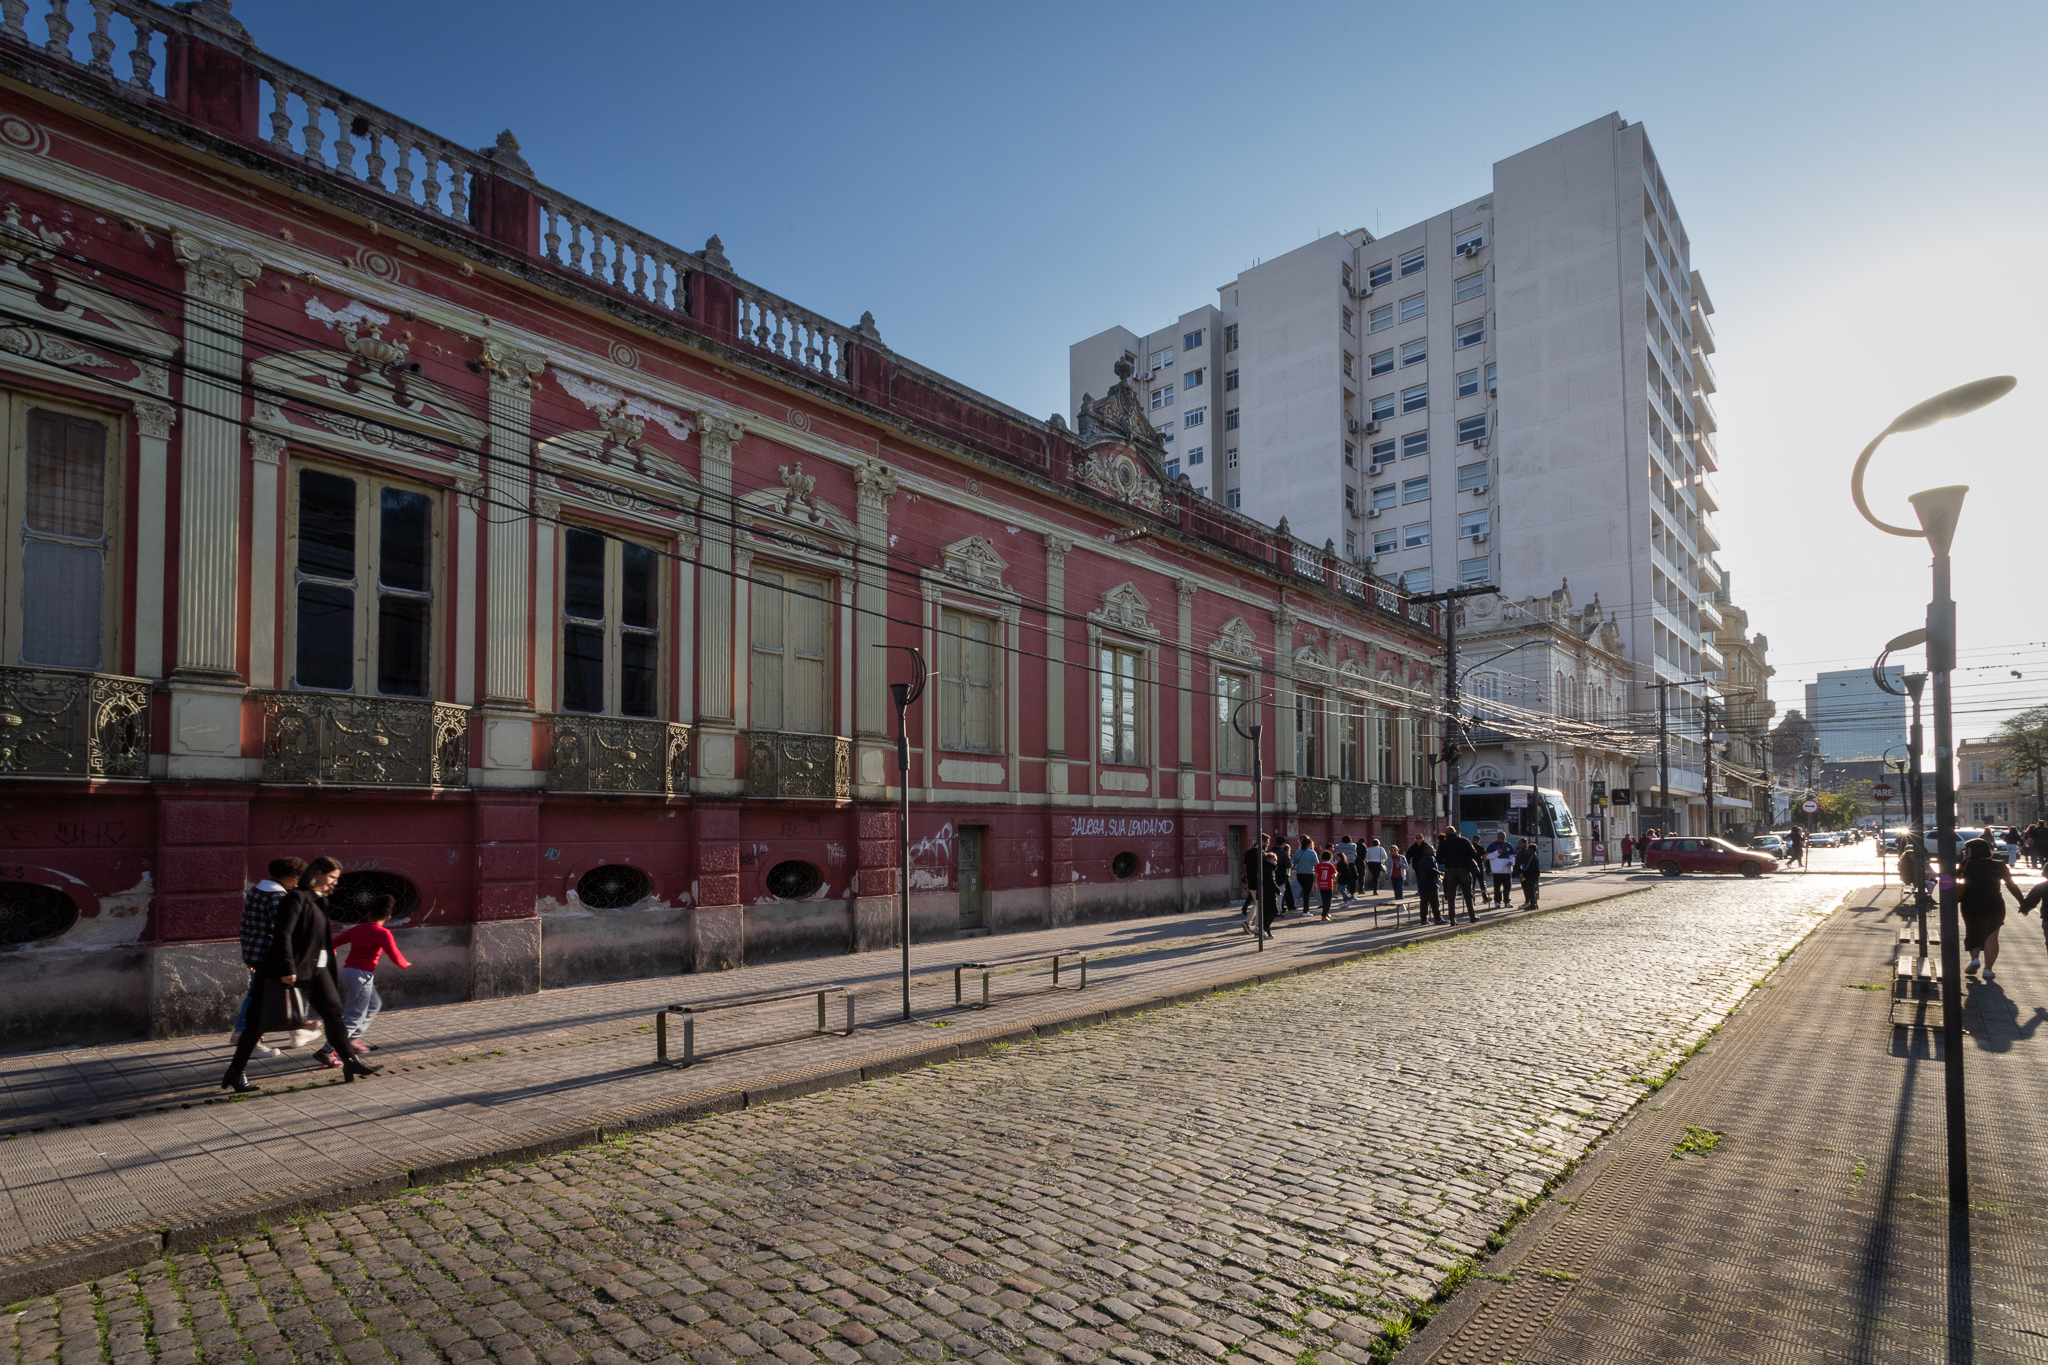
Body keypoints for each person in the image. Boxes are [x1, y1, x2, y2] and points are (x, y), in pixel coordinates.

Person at [222, 857, 380, 1092]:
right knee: (256, 1023)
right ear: (317, 873)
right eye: (332, 878)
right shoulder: (294, 898)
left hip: (316, 969)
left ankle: (350, 1061)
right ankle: (235, 1072)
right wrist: (287, 968)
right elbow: (283, 935)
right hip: (285, 969)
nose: (334, 883)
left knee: (333, 1013)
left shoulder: (319, 900)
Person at [316, 894, 411, 1065]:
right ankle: (326, 1050)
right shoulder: (383, 932)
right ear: (388, 918)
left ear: (368, 914)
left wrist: (333, 951)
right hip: (361, 975)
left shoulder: (357, 929)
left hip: (348, 972)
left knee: (374, 1004)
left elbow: (333, 942)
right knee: (354, 1016)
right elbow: (395, 956)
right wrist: (405, 964)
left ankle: (352, 1039)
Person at [227, 858, 304, 1062]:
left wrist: (248, 956)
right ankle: (247, 1036)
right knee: (260, 999)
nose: (297, 882)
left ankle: (244, 1033)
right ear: (286, 875)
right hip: (270, 954)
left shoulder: (256, 890)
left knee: (257, 995)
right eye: (296, 877)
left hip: (255, 952)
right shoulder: (276, 896)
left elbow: (245, 925)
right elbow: (284, 930)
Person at [1959, 837, 2024, 978]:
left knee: (1973, 930)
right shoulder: (1999, 865)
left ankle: (1974, 960)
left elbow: (1950, 879)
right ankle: (1988, 970)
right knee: (1992, 936)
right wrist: (2022, 902)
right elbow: (2010, 884)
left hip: (1971, 902)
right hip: (1994, 903)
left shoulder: (1966, 864)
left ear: (1971, 851)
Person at [1437, 827, 1480, 923]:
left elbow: (1439, 859)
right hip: (1464, 870)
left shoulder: (1443, 843)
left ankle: (1452, 919)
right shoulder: (1464, 841)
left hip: (1451, 871)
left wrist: (1447, 861)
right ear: (1455, 832)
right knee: (1467, 894)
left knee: (1451, 895)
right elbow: (1474, 854)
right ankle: (1472, 916)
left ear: (1446, 834)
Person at [1410, 838, 1442, 924]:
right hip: (1430, 884)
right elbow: (1430, 869)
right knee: (1434, 902)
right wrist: (1440, 873)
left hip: (1422, 884)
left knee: (1424, 902)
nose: (1434, 850)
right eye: (1432, 849)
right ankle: (1437, 918)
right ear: (1428, 851)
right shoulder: (1430, 858)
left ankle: (1423, 919)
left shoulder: (1422, 860)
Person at [1293, 837, 1320, 918]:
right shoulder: (1312, 853)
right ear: (1309, 844)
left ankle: (1304, 909)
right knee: (1307, 893)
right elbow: (1316, 864)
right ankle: (1306, 910)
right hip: (1309, 874)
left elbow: (1294, 863)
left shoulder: (1297, 852)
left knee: (1303, 891)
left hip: (1300, 874)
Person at [1486, 836, 1516, 907]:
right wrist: (1497, 852)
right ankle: (1497, 902)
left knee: (1507, 887)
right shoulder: (1492, 845)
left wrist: (1511, 862)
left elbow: (1513, 855)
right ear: (1497, 837)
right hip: (1497, 870)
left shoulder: (1508, 845)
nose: (1502, 840)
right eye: (1500, 838)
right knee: (1497, 887)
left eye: (1503, 838)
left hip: (1507, 871)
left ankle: (1507, 901)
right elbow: (1487, 856)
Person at [1515, 838, 1542, 908]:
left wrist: (1522, 872)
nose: (1527, 850)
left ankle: (1531, 903)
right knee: (1528, 888)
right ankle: (1532, 903)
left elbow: (1528, 866)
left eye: (1521, 843)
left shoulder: (1530, 856)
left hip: (1530, 876)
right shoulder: (1528, 854)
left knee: (1530, 889)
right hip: (1528, 875)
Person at [1334, 835, 1359, 906]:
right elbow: (1355, 855)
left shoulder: (1338, 847)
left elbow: (1336, 854)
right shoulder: (1353, 846)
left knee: (1342, 879)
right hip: (1351, 864)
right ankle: (1352, 894)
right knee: (1352, 879)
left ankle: (1344, 894)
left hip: (1341, 864)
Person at [1314, 849, 1336, 921]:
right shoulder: (1331, 865)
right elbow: (1333, 876)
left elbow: (1316, 876)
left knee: (1324, 900)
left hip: (1321, 885)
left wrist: (1315, 885)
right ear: (1330, 858)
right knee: (1328, 901)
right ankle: (1324, 915)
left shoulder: (1318, 866)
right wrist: (1335, 877)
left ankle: (1326, 913)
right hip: (1329, 885)